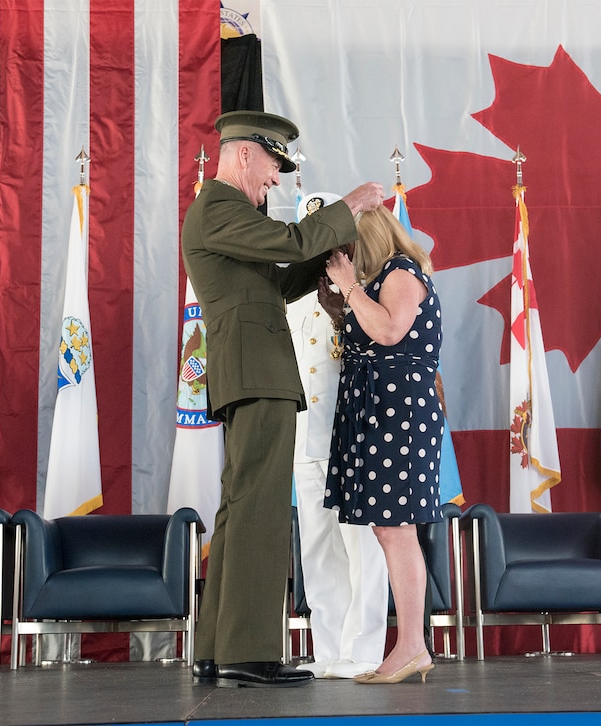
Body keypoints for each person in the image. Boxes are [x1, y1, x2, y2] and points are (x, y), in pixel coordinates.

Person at [181, 110, 385, 688]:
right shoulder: (220, 205)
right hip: (256, 374)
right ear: (245, 154)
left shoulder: (223, 214)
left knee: (240, 506)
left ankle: (218, 648)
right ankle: (250, 651)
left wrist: (319, 272)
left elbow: (272, 281)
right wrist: (352, 206)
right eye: (273, 164)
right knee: (261, 510)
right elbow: (291, 241)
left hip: (248, 373)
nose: (275, 179)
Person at [322, 206, 444, 684]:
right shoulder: (380, 278)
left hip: (399, 413)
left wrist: (350, 285)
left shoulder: (401, 272)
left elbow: (391, 330)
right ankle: (410, 645)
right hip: (376, 412)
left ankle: (412, 645)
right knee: (388, 529)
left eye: (350, 246)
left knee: (396, 529)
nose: (346, 256)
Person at [289, 193, 389, 680]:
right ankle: (328, 652)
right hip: (306, 439)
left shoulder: (364, 288)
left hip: (354, 438)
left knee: (363, 547)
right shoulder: (291, 294)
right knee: (318, 548)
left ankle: (364, 650)